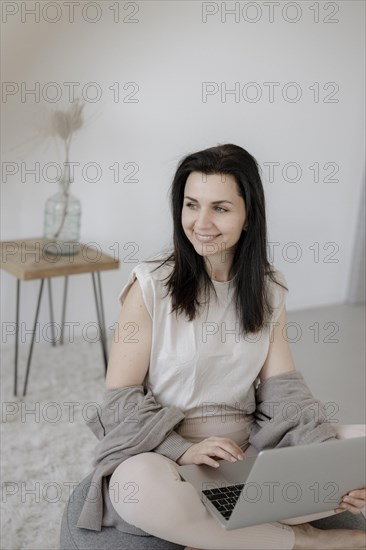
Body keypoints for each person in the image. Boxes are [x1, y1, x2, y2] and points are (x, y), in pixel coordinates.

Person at [105, 144, 366, 549]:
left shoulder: (268, 286)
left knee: (357, 444)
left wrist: (329, 460)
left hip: (247, 451)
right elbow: (119, 401)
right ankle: (305, 540)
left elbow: (284, 390)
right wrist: (182, 450)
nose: (201, 223)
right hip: (163, 453)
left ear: (248, 217)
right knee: (135, 490)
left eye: (220, 208)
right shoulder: (150, 285)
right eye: (192, 205)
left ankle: (218, 535)